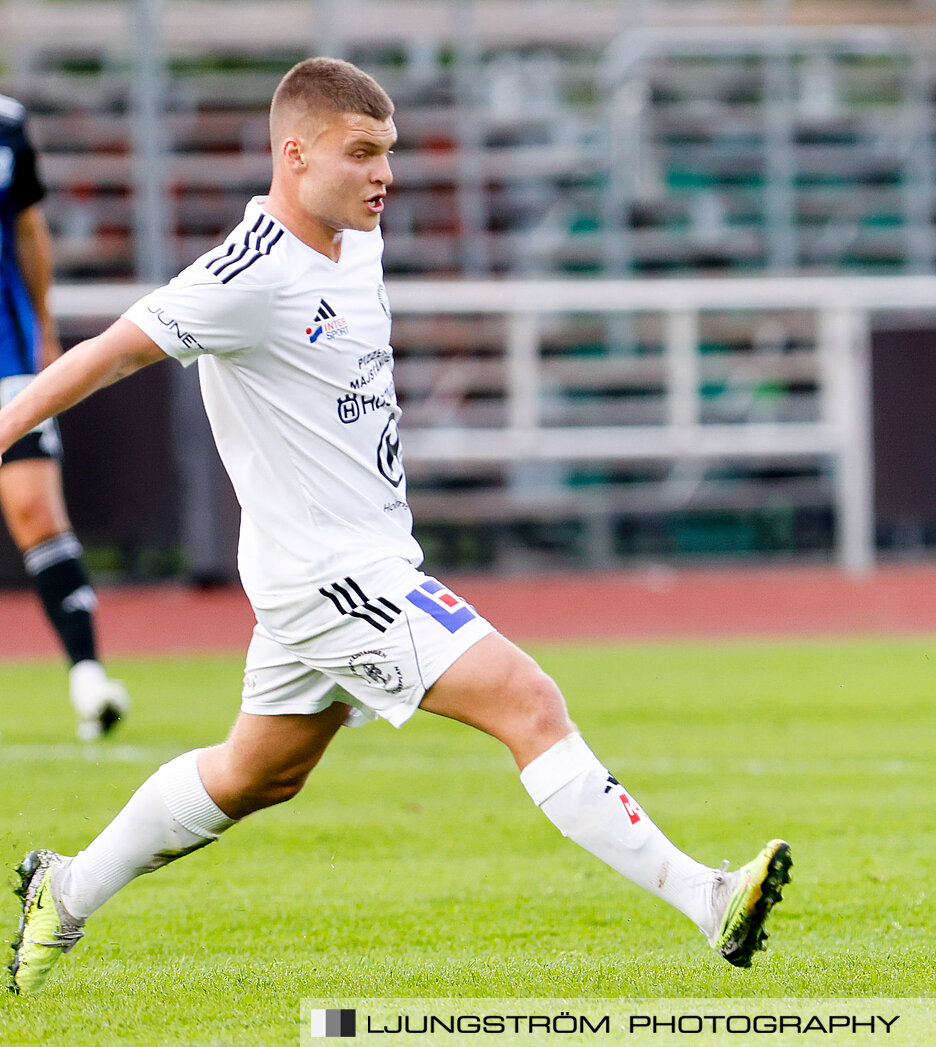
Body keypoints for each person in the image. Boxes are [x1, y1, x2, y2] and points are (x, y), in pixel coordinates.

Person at [3, 58, 790, 996]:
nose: (385, 175)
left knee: (259, 772)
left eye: (391, 153)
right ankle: (710, 900)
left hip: (353, 557)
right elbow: (105, 354)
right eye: (361, 153)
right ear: (294, 156)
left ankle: (67, 887)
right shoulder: (241, 279)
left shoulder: (357, 243)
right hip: (331, 575)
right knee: (529, 701)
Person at [1, 93, 131, 740]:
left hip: (6, 358)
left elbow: (26, 227)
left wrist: (45, 328)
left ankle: (88, 676)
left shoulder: (7, 122)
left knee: (36, 513)